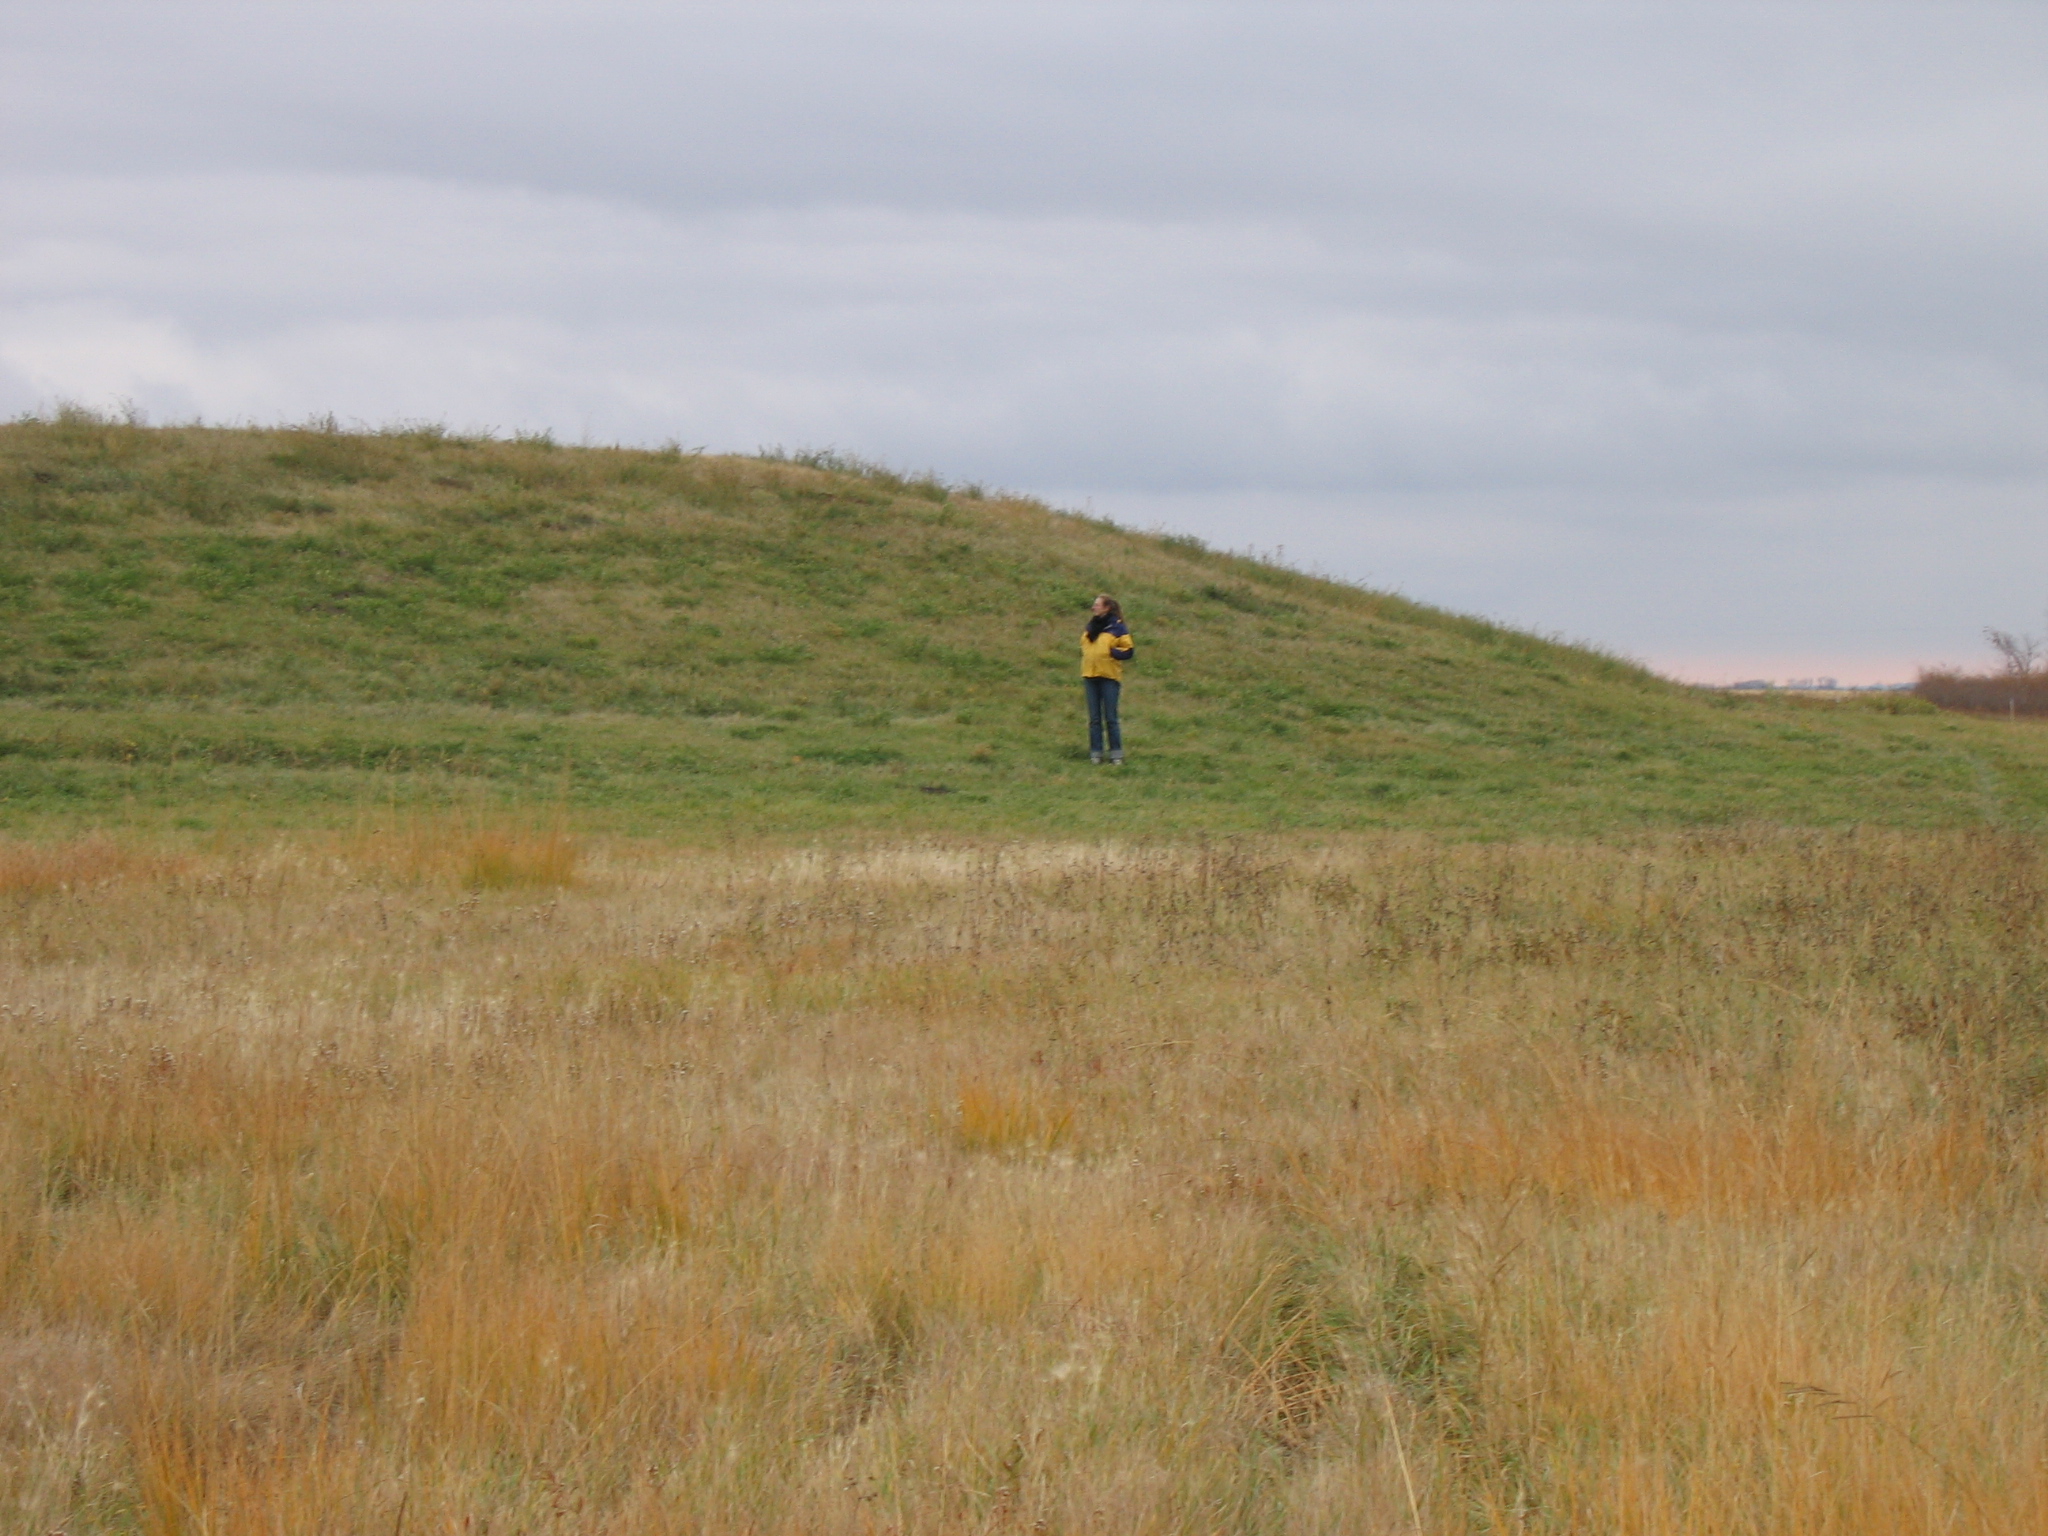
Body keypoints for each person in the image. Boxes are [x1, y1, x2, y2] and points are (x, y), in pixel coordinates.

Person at [1080, 594, 1135, 765]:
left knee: (1111, 717)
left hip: (1109, 676)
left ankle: (1116, 754)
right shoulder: (1091, 627)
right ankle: (1096, 753)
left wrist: (1112, 652)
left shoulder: (1117, 628)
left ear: (1106, 608)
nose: (1093, 608)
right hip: (1090, 675)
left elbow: (1128, 650)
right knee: (1094, 718)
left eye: (1097, 605)